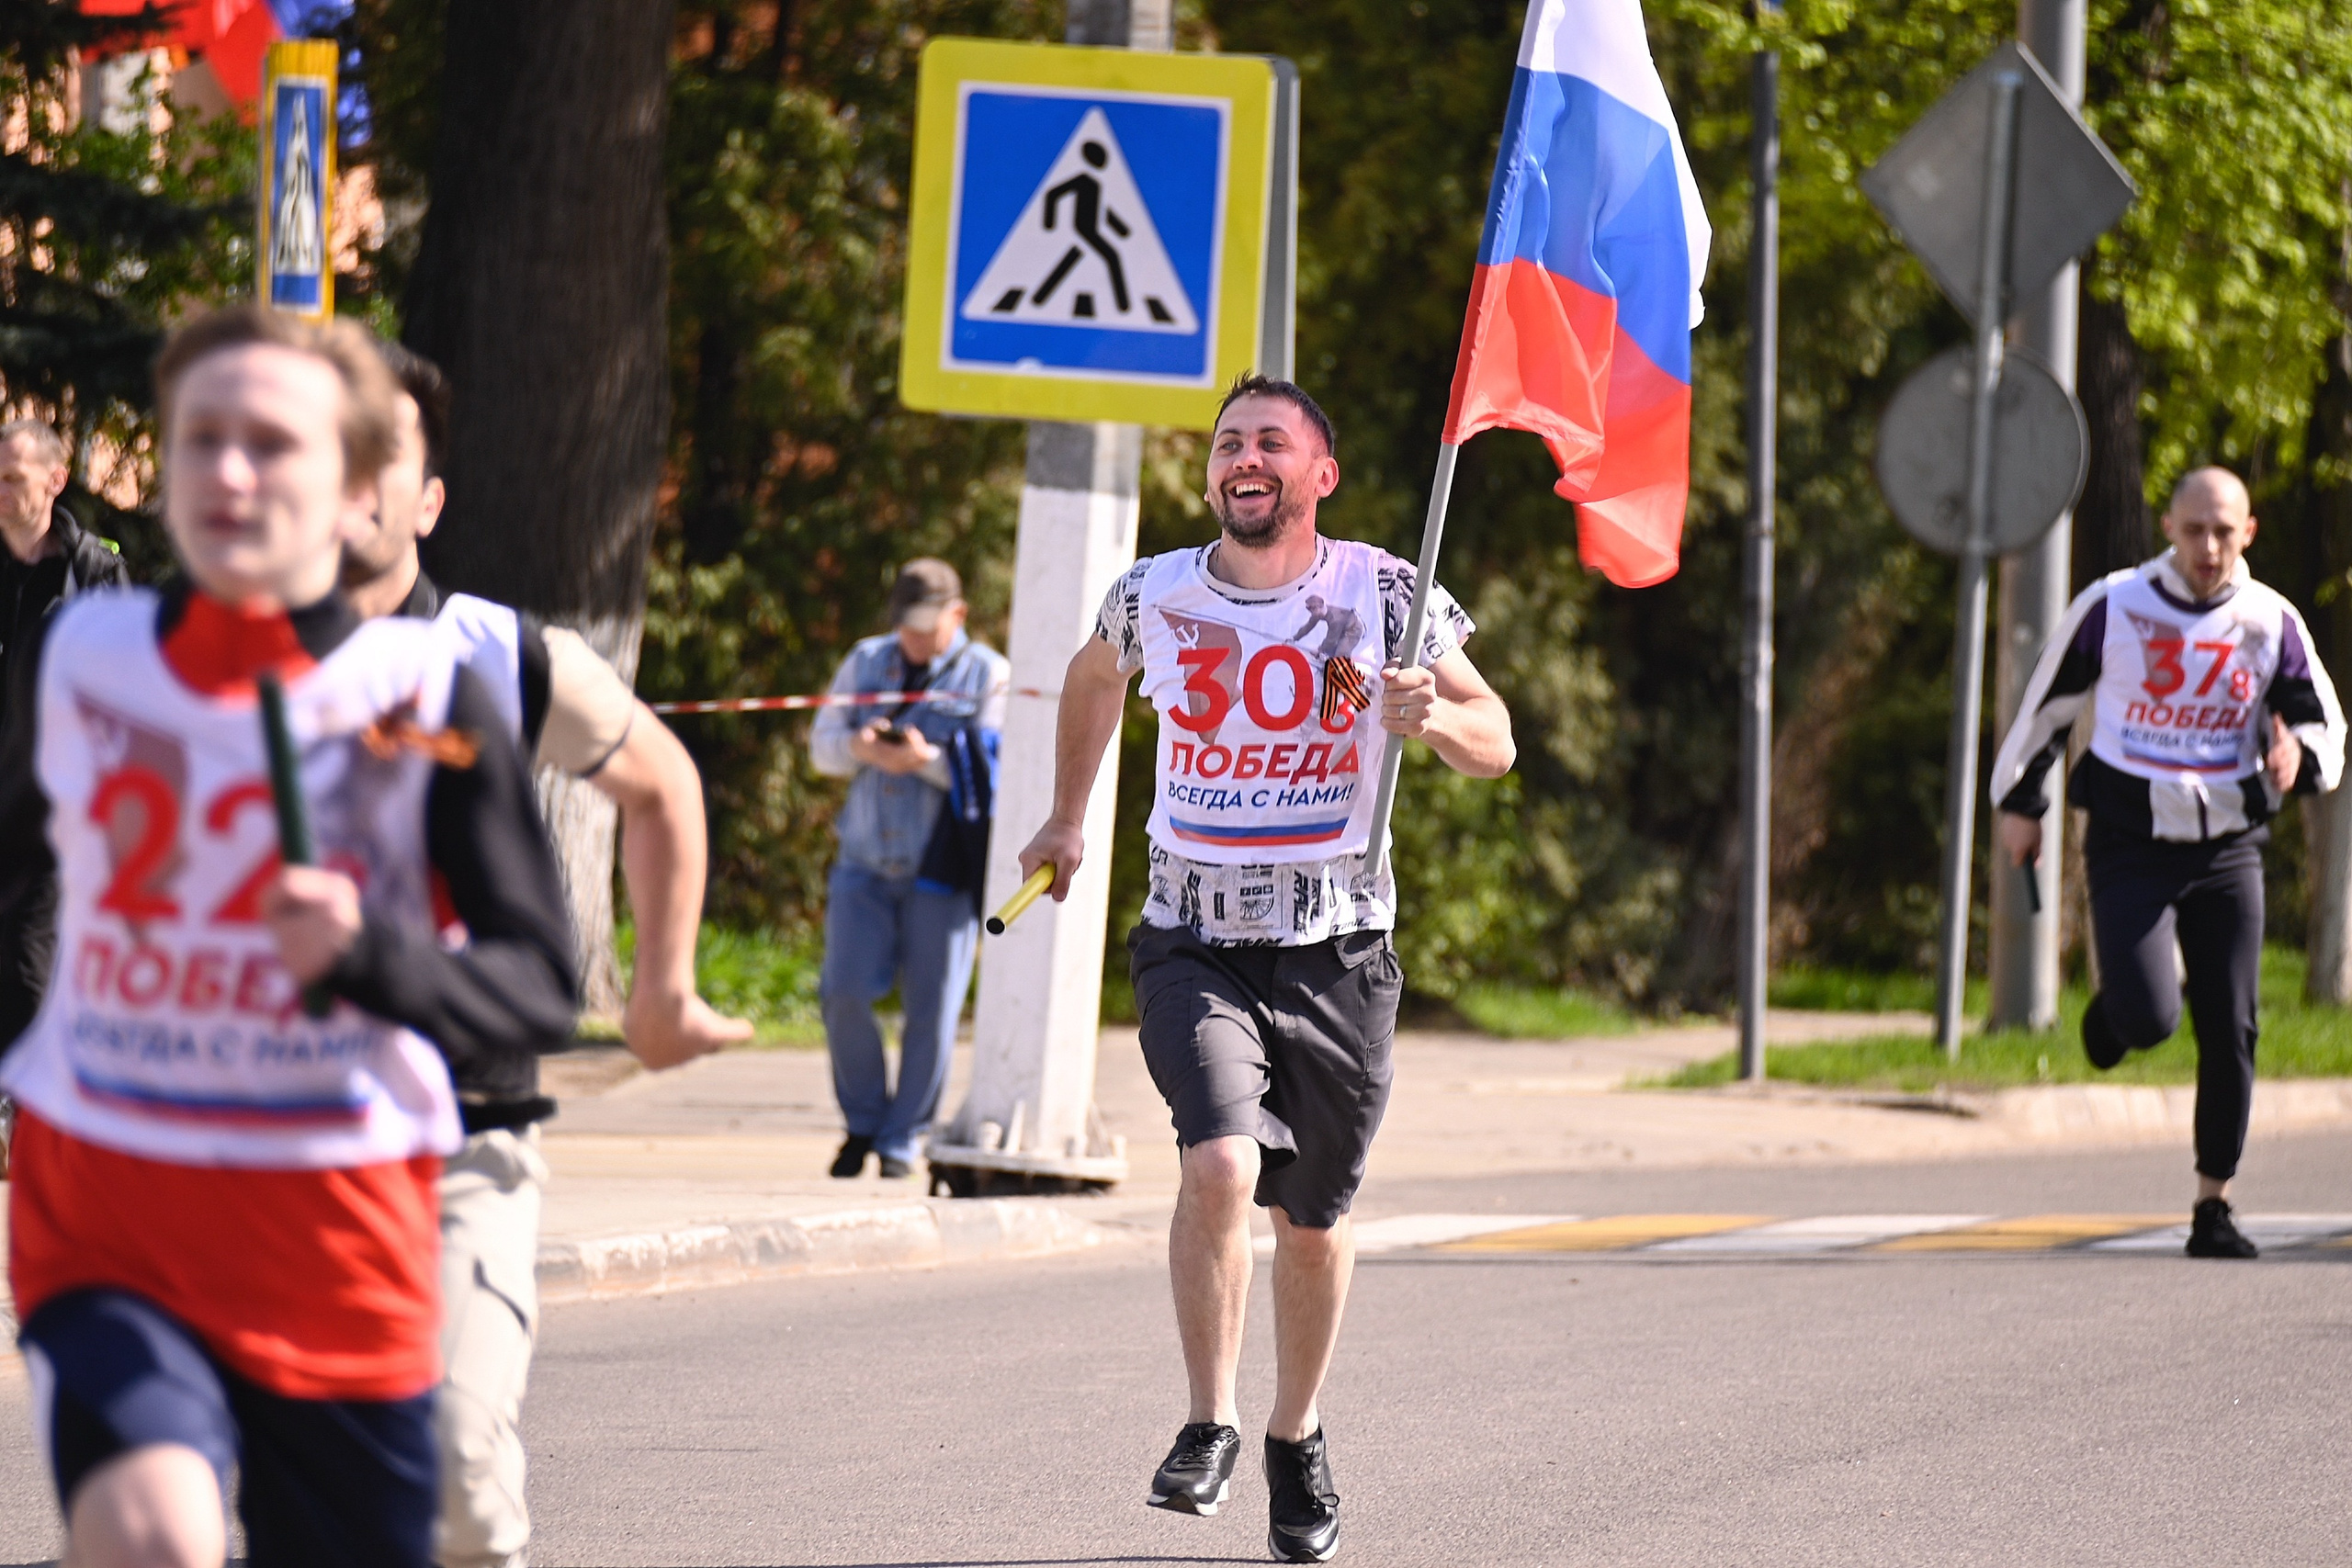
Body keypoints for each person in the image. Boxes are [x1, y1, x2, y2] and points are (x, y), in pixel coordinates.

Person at [0, 304, 578, 1566]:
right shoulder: (85, 656)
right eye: (201, 438)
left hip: (335, 1242)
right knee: (155, 1530)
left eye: (273, 442)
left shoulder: (424, 700)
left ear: (359, 486)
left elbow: (542, 985)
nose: (230, 471)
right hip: (113, 1213)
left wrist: (373, 955)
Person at [1015, 375, 1513, 1562]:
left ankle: (1297, 1430)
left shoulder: (1387, 593)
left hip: (1339, 945)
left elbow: (1496, 740)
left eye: (1271, 444)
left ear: (1318, 476)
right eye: (1230, 442)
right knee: (1222, 1162)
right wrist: (1067, 816)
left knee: (1313, 1216)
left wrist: (1428, 717)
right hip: (1194, 935)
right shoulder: (1155, 593)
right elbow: (1092, 680)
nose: (1245, 459)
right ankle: (1211, 1418)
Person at [328, 338, 750, 1568]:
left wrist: (660, 995)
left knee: (455, 1465)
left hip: (458, 1129)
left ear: (427, 497)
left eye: (379, 453)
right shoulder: (197, 663)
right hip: (261, 1141)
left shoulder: (493, 657)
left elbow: (661, 779)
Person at [1991, 467, 2344, 1259]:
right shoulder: (2113, 606)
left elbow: (2325, 727)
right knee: (2151, 1018)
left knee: (2234, 1025)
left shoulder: (2269, 620)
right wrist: (2021, 805)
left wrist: (2300, 760)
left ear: (2247, 532)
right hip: (2130, 841)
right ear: (2168, 527)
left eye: (2225, 532)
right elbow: (2045, 708)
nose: (2209, 548)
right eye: (2194, 531)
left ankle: (2212, 1205)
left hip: (2228, 848)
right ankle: (2117, 1012)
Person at [808, 558, 1007, 1179]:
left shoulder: (989, 674)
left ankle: (901, 1141)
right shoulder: (866, 659)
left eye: (927, 625)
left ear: (958, 614)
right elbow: (822, 747)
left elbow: (995, 775)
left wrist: (923, 760)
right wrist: (858, 749)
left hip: (940, 870)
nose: (913, 638)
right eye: (906, 625)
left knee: (933, 1008)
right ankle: (862, 1122)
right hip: (863, 861)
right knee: (842, 993)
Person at [0, 418, 129, 1175]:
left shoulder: (94, 574)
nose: (3, 490)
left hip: (53, 810)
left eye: (16, 476)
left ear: (54, 481)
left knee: (27, 965)